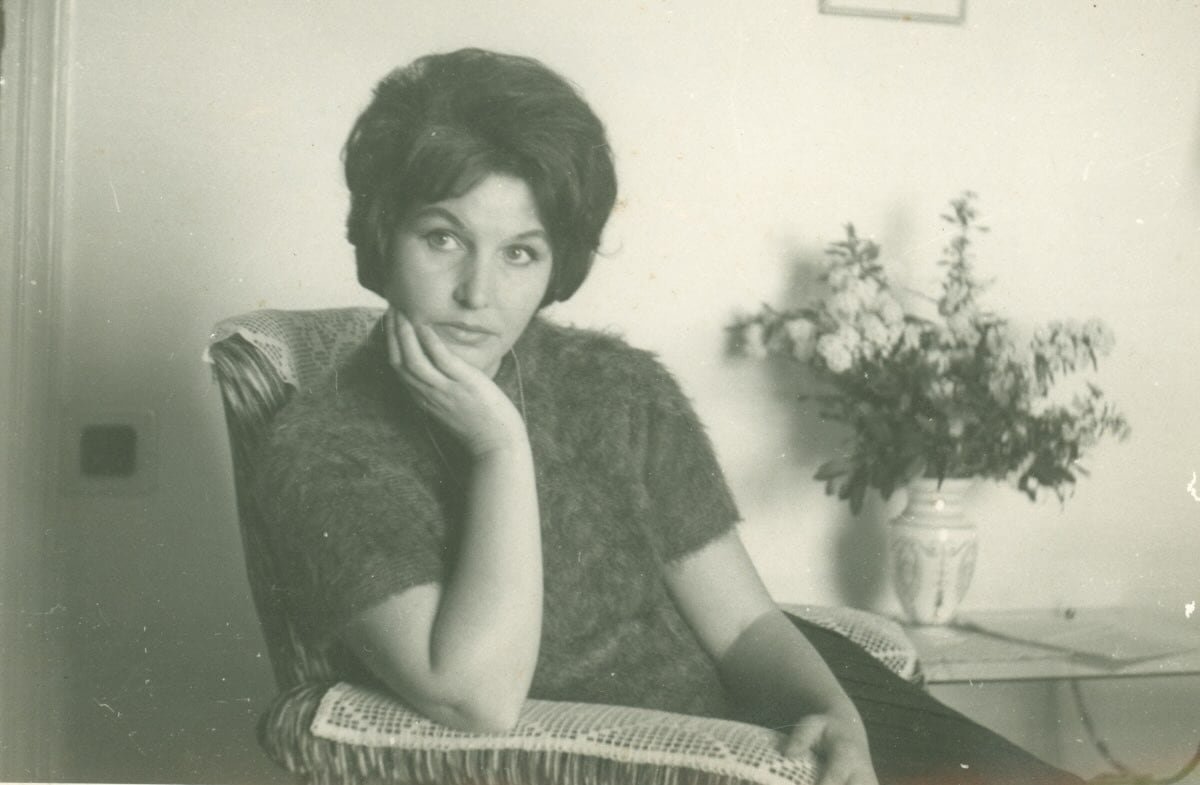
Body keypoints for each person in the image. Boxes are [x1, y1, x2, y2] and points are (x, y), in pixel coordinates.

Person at [254, 48, 1083, 785]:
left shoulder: (616, 388)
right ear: (380, 237)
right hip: (680, 761)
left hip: (783, 714)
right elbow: (476, 697)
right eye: (443, 238)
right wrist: (501, 447)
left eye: (520, 252)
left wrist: (835, 715)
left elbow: (745, 624)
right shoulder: (324, 453)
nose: (479, 292)